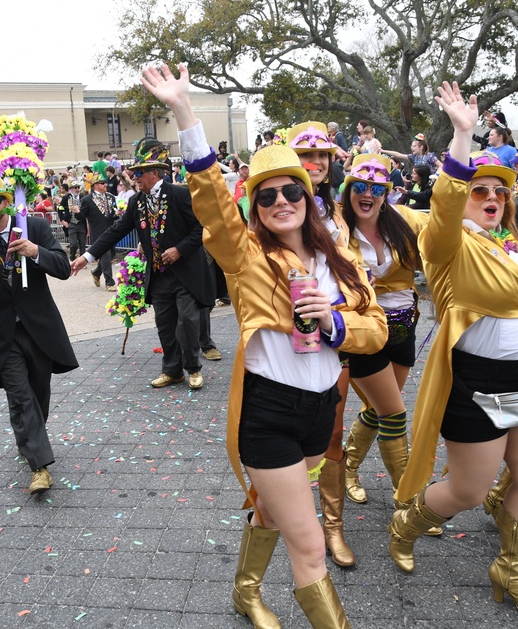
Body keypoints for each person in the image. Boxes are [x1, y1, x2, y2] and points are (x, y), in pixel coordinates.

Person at [144, 62, 386, 629]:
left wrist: (334, 326)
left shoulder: (340, 259)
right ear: (255, 205)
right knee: (310, 548)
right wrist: (185, 113)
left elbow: (375, 326)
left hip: (320, 410)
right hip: (269, 413)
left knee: (274, 515)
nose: (281, 201)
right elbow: (210, 204)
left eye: (291, 191)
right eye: (267, 195)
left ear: (308, 194)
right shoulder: (246, 257)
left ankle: (245, 592)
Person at [392, 83, 518, 620]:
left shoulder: (510, 246)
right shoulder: (446, 244)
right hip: (476, 381)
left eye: (500, 192)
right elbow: (443, 207)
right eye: (480, 189)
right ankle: (406, 523)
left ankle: (511, 572)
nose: (491, 198)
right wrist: (464, 133)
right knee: (466, 491)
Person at [338, 154, 438, 558]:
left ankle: (347, 465)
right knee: (394, 413)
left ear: (387, 192)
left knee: (383, 409)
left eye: (376, 188)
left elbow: (449, 224)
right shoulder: (336, 229)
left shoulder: (406, 221)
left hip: (404, 323)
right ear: (348, 190)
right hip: (364, 329)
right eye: (359, 186)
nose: (367, 194)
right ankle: (408, 500)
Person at [0, 176, 78, 494]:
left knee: (37, 397)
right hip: (2, 335)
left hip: (39, 330)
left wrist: (36, 252)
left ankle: (29, 441)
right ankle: (39, 468)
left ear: (6, 202)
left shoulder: (33, 228)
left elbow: (63, 268)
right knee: (21, 397)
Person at [72, 139, 213, 389]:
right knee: (165, 325)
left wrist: (179, 250)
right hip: (158, 274)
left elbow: (200, 228)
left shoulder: (180, 194)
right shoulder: (137, 202)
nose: (134, 178)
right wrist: (87, 256)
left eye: (138, 173)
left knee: (187, 322)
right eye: (133, 173)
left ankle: (192, 368)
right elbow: (115, 231)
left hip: (186, 273)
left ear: (154, 173)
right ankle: (172, 371)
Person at [284, 121, 357, 567]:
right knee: (281, 436)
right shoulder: (275, 207)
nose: (314, 164)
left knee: (331, 431)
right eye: (305, 157)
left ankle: (332, 526)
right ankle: (281, 513)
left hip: (334, 336)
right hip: (282, 342)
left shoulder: (340, 213)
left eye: (322, 157)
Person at [80, 173, 117, 291]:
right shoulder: (87, 199)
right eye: (102, 183)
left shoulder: (111, 197)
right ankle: (109, 282)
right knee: (105, 255)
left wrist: (117, 214)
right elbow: (82, 216)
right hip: (98, 231)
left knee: (111, 254)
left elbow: (111, 215)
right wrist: (76, 212)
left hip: (111, 229)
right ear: (95, 185)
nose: (105, 185)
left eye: (105, 183)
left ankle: (96, 272)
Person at [57, 183, 87, 260]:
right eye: (75, 187)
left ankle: (82, 260)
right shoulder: (66, 197)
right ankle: (72, 257)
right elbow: (60, 209)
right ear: (71, 189)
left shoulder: (83, 197)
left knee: (82, 243)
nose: (77, 189)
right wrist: (62, 221)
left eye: (78, 187)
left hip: (81, 223)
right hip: (71, 223)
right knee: (73, 244)